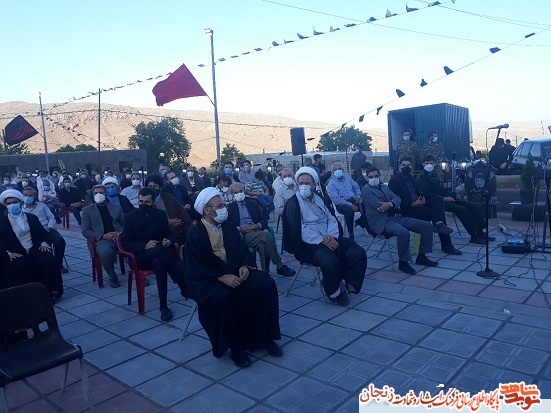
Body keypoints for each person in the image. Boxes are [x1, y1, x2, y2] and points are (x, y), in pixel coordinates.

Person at [184, 187, 282, 368]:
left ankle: (265, 338)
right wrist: (220, 277)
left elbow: (242, 251)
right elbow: (195, 267)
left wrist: (245, 266)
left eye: (224, 205)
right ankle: (235, 348)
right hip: (209, 279)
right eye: (219, 206)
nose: (224, 209)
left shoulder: (228, 227)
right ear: (207, 210)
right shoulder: (195, 234)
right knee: (221, 298)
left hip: (236, 272)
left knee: (265, 284)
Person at [282, 167, 367, 306]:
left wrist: (330, 236)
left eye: (307, 183)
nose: (304, 186)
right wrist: (321, 240)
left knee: (357, 253)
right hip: (307, 244)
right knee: (329, 260)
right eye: (301, 183)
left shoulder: (320, 198)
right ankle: (335, 292)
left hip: (329, 236)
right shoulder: (293, 203)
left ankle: (344, 280)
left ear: (314, 184)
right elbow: (299, 229)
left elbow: (331, 218)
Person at [123, 188, 188, 321]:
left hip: (158, 255)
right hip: (140, 257)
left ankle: (163, 306)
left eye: (147, 202)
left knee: (159, 262)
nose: (143, 204)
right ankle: (181, 282)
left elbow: (169, 234)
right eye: (141, 201)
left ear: (153, 202)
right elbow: (126, 243)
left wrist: (168, 240)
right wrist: (144, 246)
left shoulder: (160, 215)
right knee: (162, 252)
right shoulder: (130, 217)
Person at [361, 166, 438, 274]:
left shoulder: (384, 187)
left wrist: (390, 204)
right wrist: (393, 204)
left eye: (376, 176)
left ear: (379, 176)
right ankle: (403, 263)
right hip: (382, 222)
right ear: (367, 178)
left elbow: (398, 199)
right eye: (371, 177)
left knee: (426, 226)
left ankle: (422, 257)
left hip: (396, 217)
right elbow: (379, 207)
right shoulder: (366, 190)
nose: (374, 178)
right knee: (403, 233)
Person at [389, 157, 462, 255]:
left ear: (412, 167)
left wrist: (422, 198)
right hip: (407, 209)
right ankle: (446, 244)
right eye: (404, 165)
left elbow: (419, 192)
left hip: (419, 204)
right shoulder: (394, 181)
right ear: (399, 167)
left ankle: (439, 224)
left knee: (438, 199)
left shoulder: (412, 179)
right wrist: (412, 204)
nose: (406, 167)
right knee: (437, 213)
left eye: (408, 165)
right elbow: (395, 200)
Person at [418, 155, 495, 245]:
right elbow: (427, 194)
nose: (429, 165)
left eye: (431, 163)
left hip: (445, 196)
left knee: (473, 207)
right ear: (423, 164)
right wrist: (445, 198)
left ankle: (480, 232)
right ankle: (474, 236)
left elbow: (441, 189)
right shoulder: (422, 177)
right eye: (427, 163)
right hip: (436, 202)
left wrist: (451, 195)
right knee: (462, 210)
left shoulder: (435, 174)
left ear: (435, 163)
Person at [0, 189, 63, 299]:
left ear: (20, 202)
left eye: (14, 202)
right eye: (9, 203)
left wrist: (43, 243)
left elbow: (41, 233)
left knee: (48, 259)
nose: (12, 205)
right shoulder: (2, 222)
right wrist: (8, 253)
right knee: (18, 266)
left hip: (34, 248)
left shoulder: (31, 217)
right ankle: (29, 296)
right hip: (17, 251)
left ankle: (50, 291)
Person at [228, 183, 295, 276]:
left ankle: (265, 273)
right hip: (243, 235)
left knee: (262, 245)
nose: (239, 194)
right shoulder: (230, 208)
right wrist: (240, 229)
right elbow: (228, 225)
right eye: (236, 192)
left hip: (256, 230)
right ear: (232, 194)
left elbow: (264, 217)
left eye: (240, 191)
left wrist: (258, 225)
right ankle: (280, 265)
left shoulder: (252, 203)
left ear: (244, 191)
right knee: (266, 234)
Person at [81, 185, 125, 288]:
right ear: (93, 195)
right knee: (106, 252)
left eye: (101, 193)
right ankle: (112, 276)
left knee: (135, 245)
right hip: (101, 239)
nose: (98, 195)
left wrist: (119, 233)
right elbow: (85, 231)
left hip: (119, 236)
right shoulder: (87, 210)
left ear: (105, 194)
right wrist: (104, 236)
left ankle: (137, 270)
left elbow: (125, 223)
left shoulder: (116, 207)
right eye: (96, 193)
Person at [22, 187, 68, 274]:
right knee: (40, 248)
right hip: (31, 233)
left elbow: (51, 217)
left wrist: (50, 227)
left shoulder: (42, 206)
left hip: (47, 229)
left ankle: (59, 265)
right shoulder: (21, 209)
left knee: (60, 242)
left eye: (30, 195)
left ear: (34, 196)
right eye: (26, 195)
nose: (28, 197)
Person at [145, 174, 195, 246]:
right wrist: (168, 222)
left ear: (160, 188)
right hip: (160, 235)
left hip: (179, 229)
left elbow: (182, 213)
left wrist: (184, 223)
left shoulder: (169, 197)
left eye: (155, 186)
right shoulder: (145, 202)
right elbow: (149, 222)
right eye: (150, 186)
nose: (152, 188)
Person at [326, 162, 362, 241]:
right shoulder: (331, 184)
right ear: (332, 172)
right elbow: (336, 199)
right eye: (335, 170)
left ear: (342, 170)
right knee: (348, 210)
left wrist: (358, 196)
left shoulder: (347, 178)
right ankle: (351, 233)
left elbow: (356, 187)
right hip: (341, 204)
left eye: (339, 169)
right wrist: (350, 205)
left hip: (352, 199)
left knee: (365, 205)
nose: (338, 171)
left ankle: (362, 223)